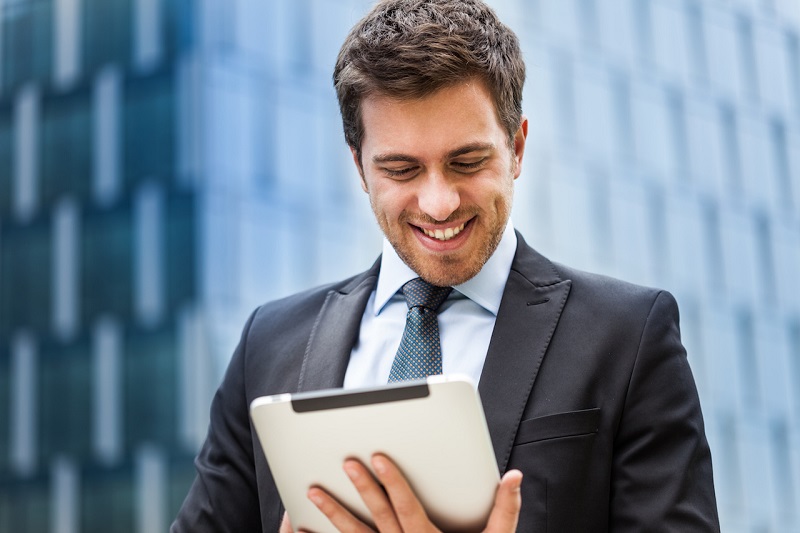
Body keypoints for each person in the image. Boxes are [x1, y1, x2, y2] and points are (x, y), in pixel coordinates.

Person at [172, 0, 720, 531]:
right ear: (360, 169)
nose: (439, 203)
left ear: (518, 148)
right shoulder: (269, 343)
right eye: (402, 170)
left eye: (467, 162)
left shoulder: (627, 336)